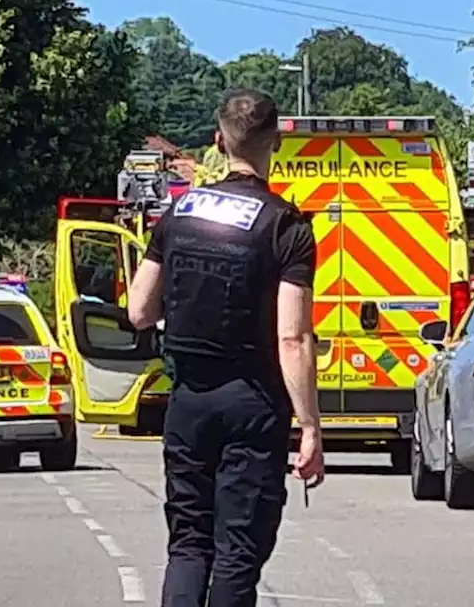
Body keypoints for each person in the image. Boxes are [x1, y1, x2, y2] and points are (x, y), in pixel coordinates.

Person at [126, 89, 325, 607]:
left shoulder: (178, 213)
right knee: (238, 550)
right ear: (274, 143)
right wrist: (309, 426)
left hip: (189, 400)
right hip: (253, 404)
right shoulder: (286, 225)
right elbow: (292, 336)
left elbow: (139, 311)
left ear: (218, 140)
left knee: (189, 544)